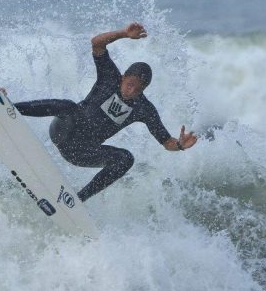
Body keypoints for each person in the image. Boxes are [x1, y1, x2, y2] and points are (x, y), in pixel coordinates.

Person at [13, 22, 197, 202]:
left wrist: (179, 145)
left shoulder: (144, 109)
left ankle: (77, 201)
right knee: (68, 106)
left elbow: (166, 142)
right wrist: (123, 34)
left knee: (125, 159)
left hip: (82, 152)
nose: (131, 91)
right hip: (64, 131)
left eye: (138, 89)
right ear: (124, 77)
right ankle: (12, 107)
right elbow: (97, 43)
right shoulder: (110, 77)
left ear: (144, 89)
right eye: (130, 84)